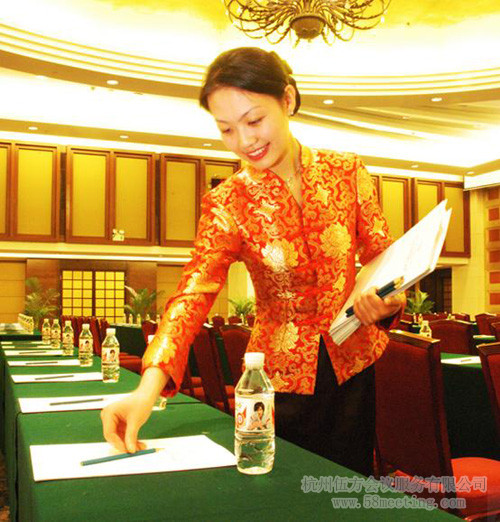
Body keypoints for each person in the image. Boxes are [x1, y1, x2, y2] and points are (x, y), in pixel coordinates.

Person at [101, 47, 405, 475]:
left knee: (347, 488)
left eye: (254, 120)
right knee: (285, 487)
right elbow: (192, 294)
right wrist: (145, 390)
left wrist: (387, 300)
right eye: (226, 129)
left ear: (288, 99)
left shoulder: (348, 172)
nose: (244, 141)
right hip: (276, 382)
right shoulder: (228, 203)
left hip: (355, 367)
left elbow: (382, 258)